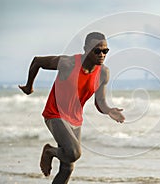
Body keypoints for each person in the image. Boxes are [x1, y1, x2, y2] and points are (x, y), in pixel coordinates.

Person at [19, 32, 125, 184]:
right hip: (55, 113)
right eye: (97, 51)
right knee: (74, 153)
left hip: (75, 119)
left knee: (67, 168)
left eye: (105, 51)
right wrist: (29, 86)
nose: (102, 54)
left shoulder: (103, 73)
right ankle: (49, 151)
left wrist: (108, 110)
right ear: (86, 49)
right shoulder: (68, 63)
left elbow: (100, 101)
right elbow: (37, 61)